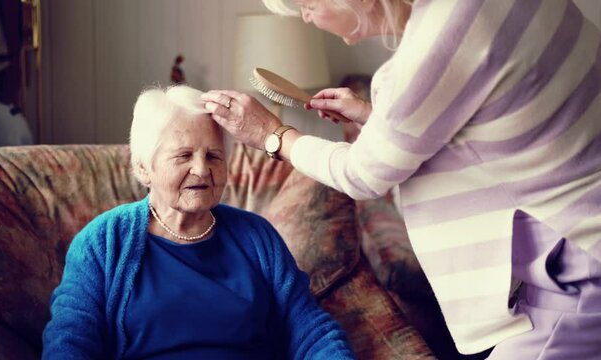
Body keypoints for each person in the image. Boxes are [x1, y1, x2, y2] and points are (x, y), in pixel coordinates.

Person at [201, 0, 601, 358]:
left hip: (569, 275)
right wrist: (379, 119)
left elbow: (359, 175)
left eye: (306, 5)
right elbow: (503, 128)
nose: (309, 18)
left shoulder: (439, 40)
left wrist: (272, 135)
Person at [42, 85, 354, 359]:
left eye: (214, 156)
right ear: (143, 168)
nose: (202, 170)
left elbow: (308, 326)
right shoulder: (103, 242)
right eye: (183, 156)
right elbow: (70, 341)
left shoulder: (257, 237)